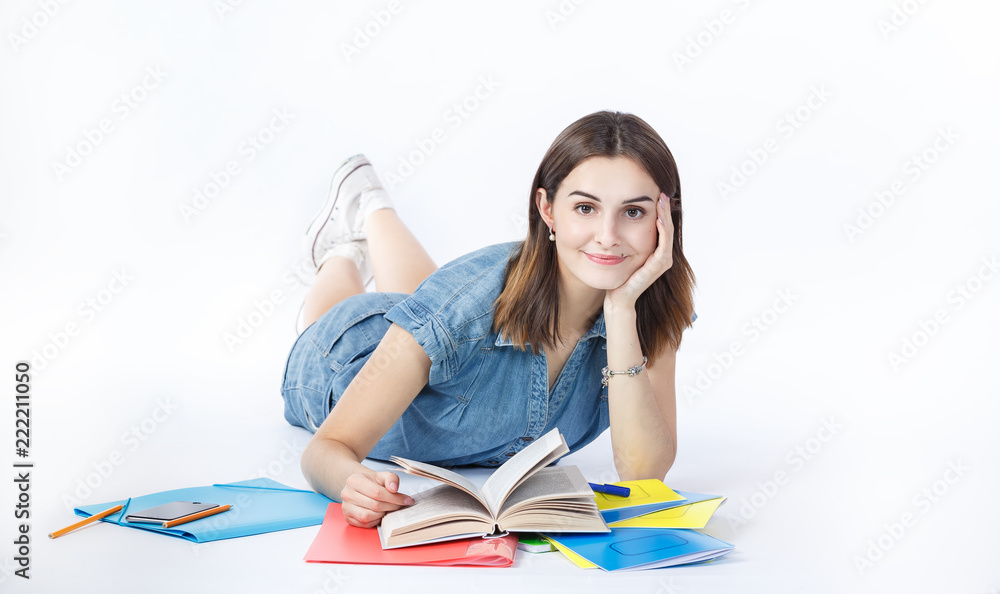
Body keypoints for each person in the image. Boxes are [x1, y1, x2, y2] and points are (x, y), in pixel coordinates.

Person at [280, 110, 696, 528]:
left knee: (437, 309)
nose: (608, 235)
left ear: (665, 218)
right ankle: (342, 251)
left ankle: (370, 205)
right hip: (340, 360)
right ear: (547, 209)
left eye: (634, 212)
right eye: (586, 208)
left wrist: (621, 310)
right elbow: (326, 449)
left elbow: (645, 474)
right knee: (426, 310)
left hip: (436, 321)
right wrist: (353, 482)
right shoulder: (463, 308)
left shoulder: (650, 307)